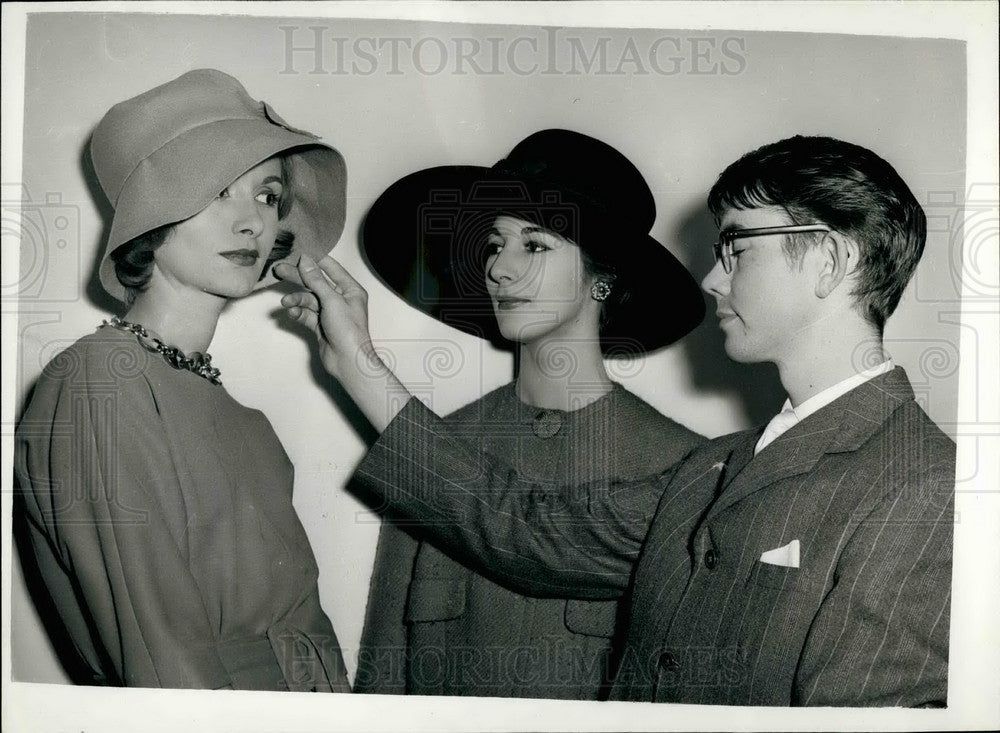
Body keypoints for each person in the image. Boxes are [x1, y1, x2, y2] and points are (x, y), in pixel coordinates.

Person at [279, 134, 954, 706]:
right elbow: (517, 526)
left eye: (739, 249)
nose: (714, 281)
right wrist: (357, 361)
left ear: (831, 260)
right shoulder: (712, 469)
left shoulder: (923, 486)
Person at [15, 69, 351, 692]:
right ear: (150, 217)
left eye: (268, 195)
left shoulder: (248, 421)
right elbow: (165, 663)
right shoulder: (101, 383)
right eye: (217, 191)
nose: (253, 221)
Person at [351, 129, 706, 698]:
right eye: (495, 245)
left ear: (604, 279)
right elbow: (384, 670)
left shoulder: (679, 466)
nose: (500, 269)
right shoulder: (429, 450)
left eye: (535, 246)